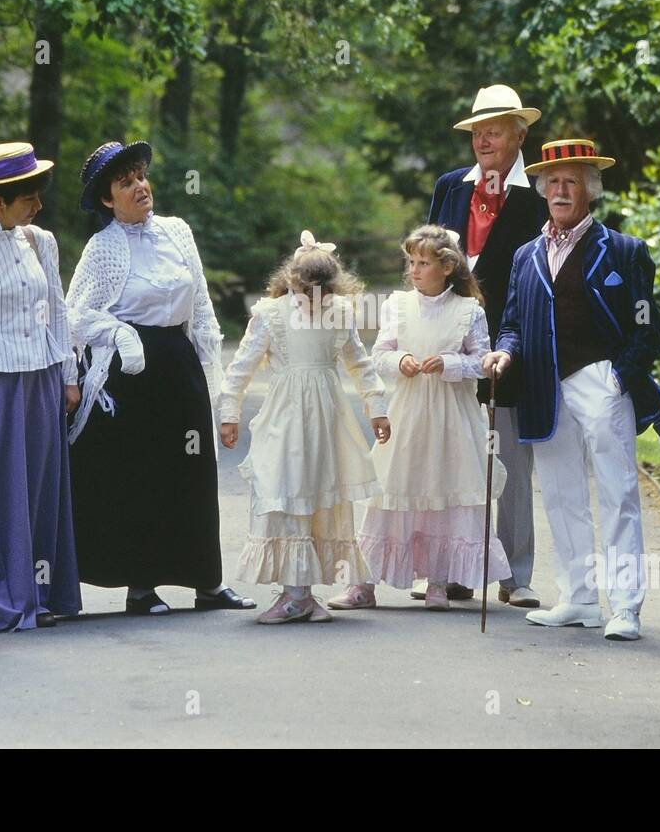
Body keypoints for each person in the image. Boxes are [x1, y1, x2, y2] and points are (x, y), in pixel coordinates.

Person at [485, 140, 660, 641]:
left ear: (590, 190)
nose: (561, 191)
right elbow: (514, 322)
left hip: (602, 381)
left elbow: (647, 325)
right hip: (545, 384)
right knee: (562, 494)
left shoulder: (627, 251)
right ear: (543, 191)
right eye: (553, 183)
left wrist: (619, 377)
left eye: (572, 182)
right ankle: (579, 598)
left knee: (618, 492)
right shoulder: (526, 255)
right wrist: (505, 352)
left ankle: (625, 607)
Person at [66, 140, 254, 615]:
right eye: (125, 182)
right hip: (131, 373)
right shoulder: (103, 247)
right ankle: (141, 587)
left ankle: (207, 583)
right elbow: (75, 317)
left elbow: (203, 303)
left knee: (192, 471)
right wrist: (120, 333)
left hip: (177, 359)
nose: (139, 187)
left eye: (141, 177)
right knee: (141, 475)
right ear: (108, 199)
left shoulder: (177, 231)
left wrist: (214, 370)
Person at [331, 225, 511, 611]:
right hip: (408, 412)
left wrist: (448, 363)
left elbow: (482, 362)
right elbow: (378, 353)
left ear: (446, 267)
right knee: (392, 486)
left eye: (423, 263)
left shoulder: (468, 310)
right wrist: (401, 361)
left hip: (452, 416)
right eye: (411, 262)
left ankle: (439, 581)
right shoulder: (398, 304)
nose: (414, 270)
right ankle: (362, 583)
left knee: (444, 486)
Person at [219, 231, 390, 624]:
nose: (311, 302)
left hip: (326, 420)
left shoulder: (339, 315)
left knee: (313, 496)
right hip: (284, 417)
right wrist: (230, 412)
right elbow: (242, 365)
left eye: (320, 294)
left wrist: (376, 408)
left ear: (332, 290)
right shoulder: (270, 314)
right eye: (303, 293)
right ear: (291, 284)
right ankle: (297, 592)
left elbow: (359, 364)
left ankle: (301, 595)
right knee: (284, 489)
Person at [0, 142, 82, 631]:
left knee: (41, 484)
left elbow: (59, 307)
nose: (38, 206)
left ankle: (40, 592)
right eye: (29, 198)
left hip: (42, 375)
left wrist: (68, 374)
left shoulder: (40, 241)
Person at [427, 84, 546, 608]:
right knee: (455, 460)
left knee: (512, 465)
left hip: (513, 347)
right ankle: (454, 569)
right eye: (477, 130)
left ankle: (515, 575)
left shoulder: (540, 194)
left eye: (494, 130)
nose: (483, 139)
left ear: (520, 134)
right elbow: (427, 261)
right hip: (449, 346)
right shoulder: (450, 187)